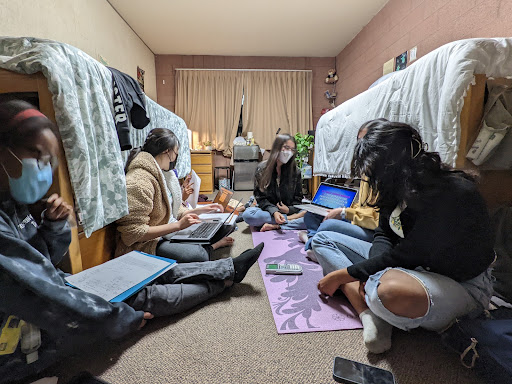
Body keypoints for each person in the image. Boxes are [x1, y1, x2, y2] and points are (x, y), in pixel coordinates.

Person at [0, 100, 264, 383]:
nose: (46, 170)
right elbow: (44, 294)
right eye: (37, 156)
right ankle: (222, 281)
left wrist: (53, 225)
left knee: (162, 274)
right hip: (30, 326)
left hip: (64, 282)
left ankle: (227, 272)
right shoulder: (139, 180)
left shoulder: (13, 205)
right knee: (146, 295)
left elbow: (43, 261)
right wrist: (120, 317)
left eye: (49, 160)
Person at [314, 119, 495, 354]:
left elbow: (408, 254)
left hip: (462, 283)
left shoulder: (452, 193)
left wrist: (345, 274)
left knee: (387, 292)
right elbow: (383, 234)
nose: (372, 179)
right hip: (412, 268)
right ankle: (369, 314)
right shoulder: (396, 189)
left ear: (394, 166)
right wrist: (372, 273)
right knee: (322, 240)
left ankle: (374, 302)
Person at [115, 128, 234, 263]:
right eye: (176, 153)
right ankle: (212, 247)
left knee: (225, 227)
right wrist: (178, 226)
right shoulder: (139, 181)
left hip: (168, 232)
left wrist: (199, 210)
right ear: (168, 151)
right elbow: (132, 234)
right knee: (198, 256)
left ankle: (208, 245)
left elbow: (173, 210)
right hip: (147, 243)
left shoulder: (164, 174)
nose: (175, 158)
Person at [299, 122, 380, 260]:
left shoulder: (383, 177)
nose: (361, 146)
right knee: (310, 215)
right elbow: (362, 206)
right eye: (359, 141)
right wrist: (343, 210)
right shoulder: (367, 173)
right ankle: (314, 241)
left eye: (365, 141)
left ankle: (311, 243)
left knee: (328, 224)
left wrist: (344, 213)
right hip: (358, 219)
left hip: (371, 229)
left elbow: (376, 219)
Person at [242, 133, 307, 231]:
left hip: (289, 210)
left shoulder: (295, 171)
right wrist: (275, 212)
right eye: (286, 147)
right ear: (277, 147)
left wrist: (289, 210)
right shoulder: (262, 169)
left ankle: (275, 225)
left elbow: (298, 199)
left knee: (312, 217)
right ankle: (289, 220)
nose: (288, 152)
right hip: (268, 211)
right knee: (248, 215)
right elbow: (260, 198)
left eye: (292, 149)